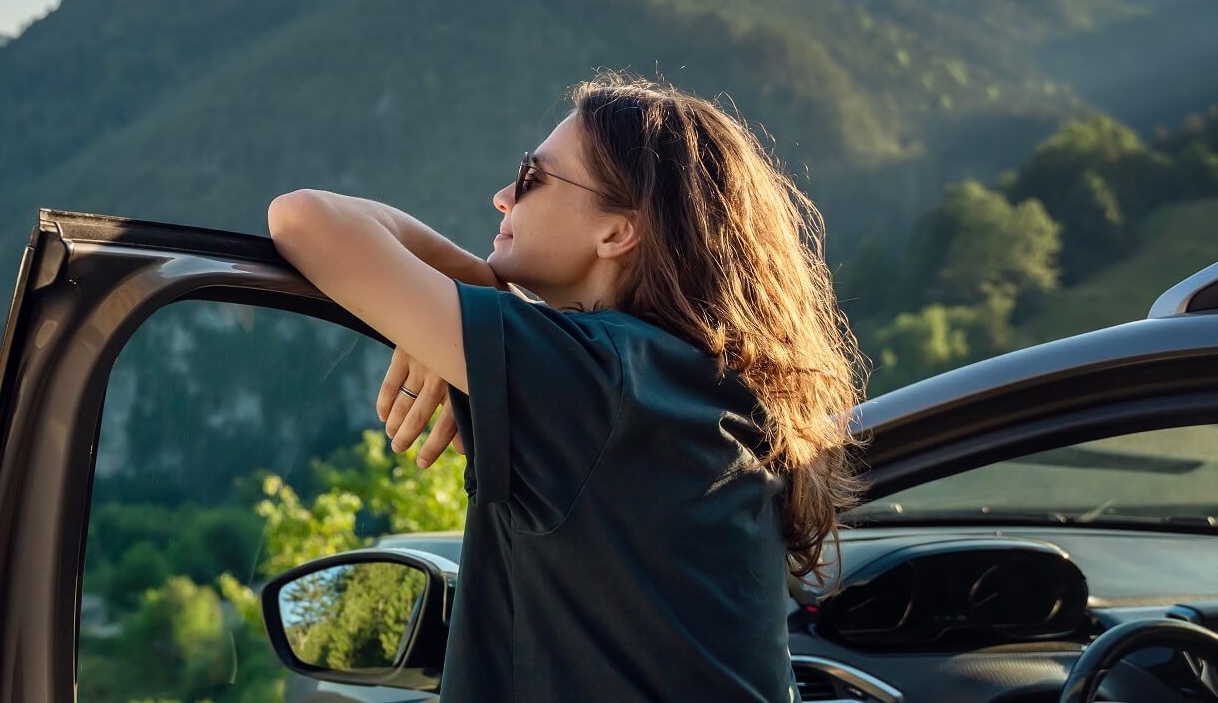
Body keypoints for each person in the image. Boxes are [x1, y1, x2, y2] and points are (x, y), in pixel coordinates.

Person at [267, 72, 865, 702]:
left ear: (617, 232)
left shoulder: (598, 379)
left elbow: (304, 220)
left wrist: (475, 294)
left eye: (532, 179)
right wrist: (474, 308)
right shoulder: (701, 386)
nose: (503, 197)